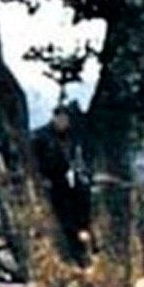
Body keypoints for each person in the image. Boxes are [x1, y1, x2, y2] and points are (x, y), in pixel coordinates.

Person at [30, 104, 92, 261]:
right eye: (61, 118)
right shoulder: (40, 136)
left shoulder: (70, 137)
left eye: (66, 119)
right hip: (48, 179)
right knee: (62, 210)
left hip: (63, 177)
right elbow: (32, 161)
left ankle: (80, 234)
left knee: (79, 198)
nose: (64, 122)